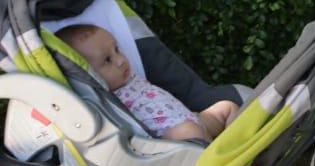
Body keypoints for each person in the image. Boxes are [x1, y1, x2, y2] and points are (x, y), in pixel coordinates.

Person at [59, 24, 236, 143]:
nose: (120, 60)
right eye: (107, 60)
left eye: (117, 50)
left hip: (191, 117)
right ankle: (222, 157)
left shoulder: (128, 76)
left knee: (226, 107)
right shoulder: (107, 100)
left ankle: (240, 144)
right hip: (169, 140)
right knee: (192, 132)